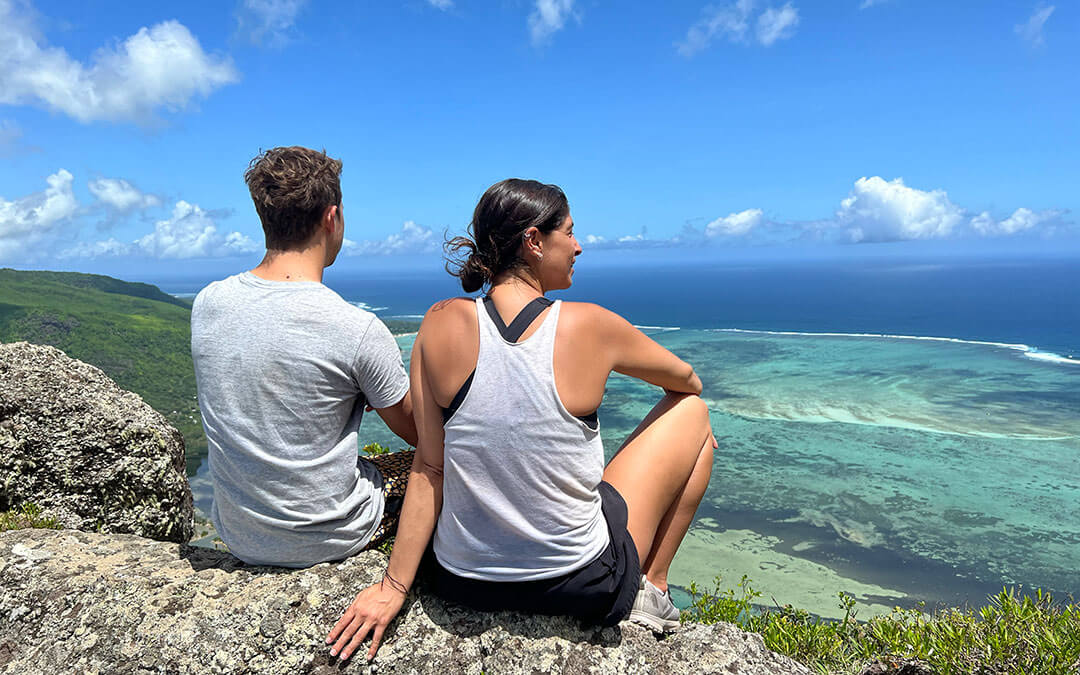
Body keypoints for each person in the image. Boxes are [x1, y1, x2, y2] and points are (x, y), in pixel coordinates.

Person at [327, 179, 714, 661]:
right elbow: (688, 382)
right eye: (568, 233)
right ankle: (651, 588)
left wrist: (393, 585)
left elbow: (429, 469)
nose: (578, 246)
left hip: (463, 581)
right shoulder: (591, 324)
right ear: (534, 241)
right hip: (584, 582)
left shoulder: (440, 322)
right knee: (694, 414)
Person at [191, 146, 417, 568]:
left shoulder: (208, 303)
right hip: (332, 536)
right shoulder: (356, 328)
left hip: (240, 534)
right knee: (429, 469)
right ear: (332, 217)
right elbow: (419, 435)